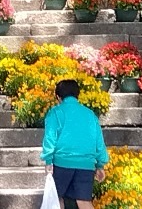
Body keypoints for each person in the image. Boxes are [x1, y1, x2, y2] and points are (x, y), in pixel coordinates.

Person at [42, 79, 109, 209]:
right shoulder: (90, 114)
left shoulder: (56, 112)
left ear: (58, 97)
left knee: (57, 199)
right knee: (84, 201)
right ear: (77, 95)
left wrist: (48, 161)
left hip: (62, 163)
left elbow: (50, 138)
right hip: (86, 164)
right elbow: (98, 142)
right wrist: (100, 164)